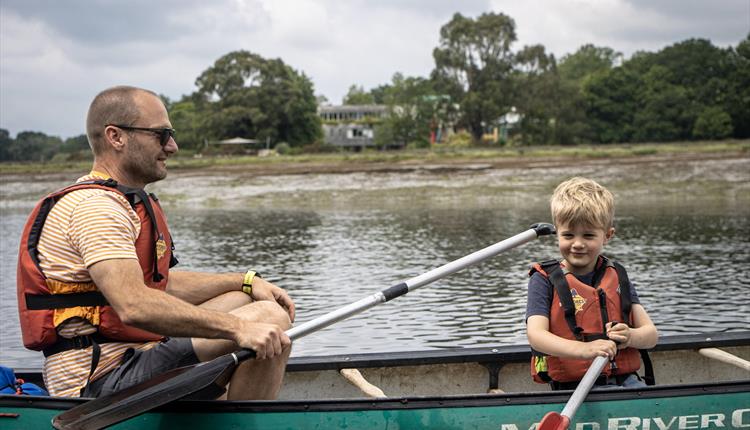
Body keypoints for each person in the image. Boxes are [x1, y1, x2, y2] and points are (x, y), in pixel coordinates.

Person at [16, 85, 295, 399]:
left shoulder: (120, 202)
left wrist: (244, 281)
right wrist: (239, 329)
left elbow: (158, 285)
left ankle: (230, 409)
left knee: (246, 300)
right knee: (269, 317)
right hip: (98, 381)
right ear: (116, 136)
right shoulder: (95, 208)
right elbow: (134, 304)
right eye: (161, 135)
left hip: (137, 357)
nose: (172, 146)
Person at [525, 177, 658, 390]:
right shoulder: (543, 279)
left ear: (607, 235)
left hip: (627, 382)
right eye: (568, 235)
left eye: (588, 235)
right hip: (575, 389)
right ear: (557, 234)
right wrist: (585, 350)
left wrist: (629, 336)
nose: (578, 244)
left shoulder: (618, 276)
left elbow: (650, 335)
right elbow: (536, 336)